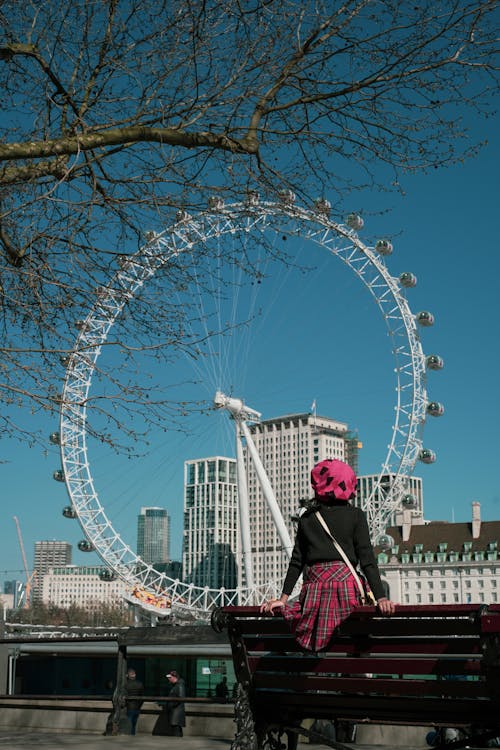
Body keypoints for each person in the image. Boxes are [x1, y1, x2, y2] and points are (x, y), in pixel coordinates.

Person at [261, 458, 396, 651]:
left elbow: (296, 562)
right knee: (355, 636)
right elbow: (367, 560)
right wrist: (381, 597)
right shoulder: (356, 515)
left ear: (318, 485)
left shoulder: (307, 518)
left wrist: (283, 599)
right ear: (349, 485)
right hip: (346, 591)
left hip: (314, 593)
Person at [165, 670, 186, 737]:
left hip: (176, 712)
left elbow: (181, 698)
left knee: (176, 731)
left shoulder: (179, 685)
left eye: (170, 677)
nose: (169, 679)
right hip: (175, 712)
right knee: (177, 729)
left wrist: (171, 705)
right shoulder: (177, 685)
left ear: (174, 677)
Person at [124, 667, 144, 736]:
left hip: (129, 708)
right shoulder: (140, 684)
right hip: (137, 708)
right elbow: (142, 697)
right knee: (134, 725)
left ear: (127, 675)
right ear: (135, 675)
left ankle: (129, 736)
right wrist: (139, 706)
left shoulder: (126, 685)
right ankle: (132, 736)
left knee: (129, 724)